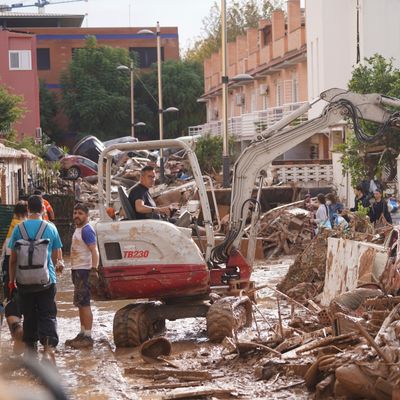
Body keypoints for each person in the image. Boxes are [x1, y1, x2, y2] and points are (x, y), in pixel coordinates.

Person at [8, 195, 63, 362]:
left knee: (29, 315)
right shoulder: (51, 228)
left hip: (24, 282)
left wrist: (12, 281)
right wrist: (49, 271)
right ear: (43, 209)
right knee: (47, 314)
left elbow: (13, 260)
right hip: (46, 281)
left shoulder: (19, 228)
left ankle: (30, 352)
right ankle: (48, 348)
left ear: (28, 210)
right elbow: (55, 257)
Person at [65, 203, 99, 349]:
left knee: (84, 303)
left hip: (84, 270)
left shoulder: (86, 230)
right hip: (77, 270)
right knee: (80, 303)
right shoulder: (78, 229)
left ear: (87, 215)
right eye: (75, 213)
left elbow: (94, 251)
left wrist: (94, 270)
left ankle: (88, 336)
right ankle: (82, 332)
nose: (76, 216)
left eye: (80, 213)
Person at [1, 201, 27, 354]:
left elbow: (7, 254)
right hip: (30, 271)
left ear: (15, 213)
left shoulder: (8, 226)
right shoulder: (31, 227)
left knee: (10, 302)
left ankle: (16, 332)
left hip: (9, 268)